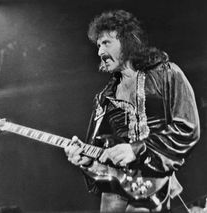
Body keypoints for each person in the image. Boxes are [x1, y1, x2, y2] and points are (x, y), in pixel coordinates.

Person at [64, 10, 200, 212]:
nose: (100, 52)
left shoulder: (167, 73)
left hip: (165, 180)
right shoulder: (104, 99)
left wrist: (136, 149)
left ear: (127, 42)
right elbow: (100, 149)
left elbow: (187, 128)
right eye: (98, 45)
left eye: (106, 43)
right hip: (117, 190)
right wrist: (86, 160)